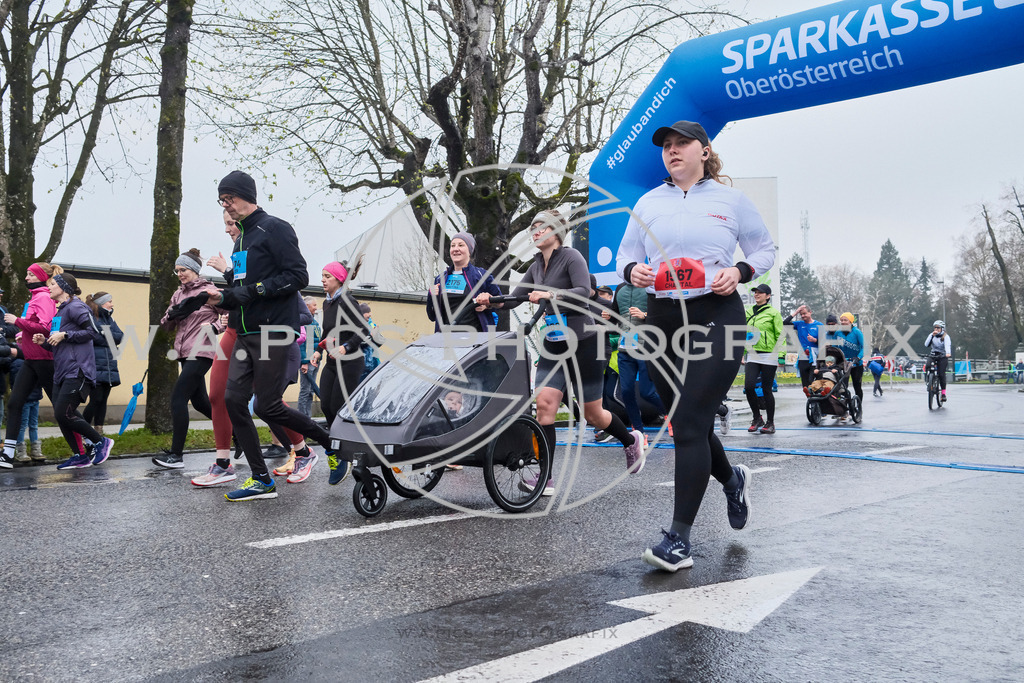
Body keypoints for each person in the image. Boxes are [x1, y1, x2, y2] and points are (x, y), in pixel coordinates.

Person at [615, 120, 774, 572]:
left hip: (716, 315)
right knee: (692, 426)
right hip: (664, 319)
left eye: (681, 143)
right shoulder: (648, 202)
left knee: (687, 425)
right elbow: (626, 255)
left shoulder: (731, 201)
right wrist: (633, 273)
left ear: (704, 151)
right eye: (666, 145)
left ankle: (678, 542)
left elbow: (766, 250)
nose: (672, 150)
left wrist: (740, 272)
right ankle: (732, 478)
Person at [476, 209, 644, 498]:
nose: (535, 232)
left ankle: (630, 440)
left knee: (593, 414)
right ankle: (546, 477)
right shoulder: (536, 266)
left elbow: (585, 290)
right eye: (533, 227)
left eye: (541, 227)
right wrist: (491, 301)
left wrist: (552, 295)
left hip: (584, 342)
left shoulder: (571, 257)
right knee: (545, 405)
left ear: (555, 232)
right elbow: (517, 297)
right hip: (554, 343)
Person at [206, 171, 343, 500]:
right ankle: (260, 479)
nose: (227, 206)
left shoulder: (276, 228)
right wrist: (221, 298)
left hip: (274, 331)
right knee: (234, 401)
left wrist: (253, 290)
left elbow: (298, 274)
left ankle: (331, 445)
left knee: (267, 406)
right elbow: (241, 289)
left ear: (246, 196)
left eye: (230, 200)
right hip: (245, 333)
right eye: (222, 202)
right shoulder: (240, 240)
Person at [32, 268, 114, 469]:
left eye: (52, 284)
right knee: (63, 415)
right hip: (62, 372)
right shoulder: (61, 310)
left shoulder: (77, 307)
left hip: (78, 370)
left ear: (64, 288)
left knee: (63, 413)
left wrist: (65, 335)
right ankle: (80, 455)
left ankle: (100, 441)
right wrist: (44, 341)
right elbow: (57, 342)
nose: (49, 287)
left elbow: (93, 332)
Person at [154, 249, 225, 469]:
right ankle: (238, 435)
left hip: (202, 350)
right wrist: (172, 315)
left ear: (194, 270)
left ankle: (176, 455)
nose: (179, 274)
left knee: (178, 398)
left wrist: (214, 327)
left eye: (183, 270)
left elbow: (231, 314)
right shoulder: (178, 294)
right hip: (184, 352)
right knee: (200, 402)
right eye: (177, 271)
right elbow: (166, 324)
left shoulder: (209, 290)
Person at [311, 261, 371, 475]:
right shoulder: (327, 303)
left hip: (351, 361)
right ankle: (339, 448)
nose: (323, 280)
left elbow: (363, 330)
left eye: (327, 276)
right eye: (322, 275)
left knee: (338, 406)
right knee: (326, 405)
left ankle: (344, 452)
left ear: (338, 279)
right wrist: (319, 350)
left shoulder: (347, 300)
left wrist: (346, 347)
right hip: (332, 360)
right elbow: (328, 332)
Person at [0, 263, 59, 469]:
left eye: (31, 274)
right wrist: (21, 333)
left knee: (61, 408)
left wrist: (17, 321)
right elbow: (34, 326)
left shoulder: (43, 297)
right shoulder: (35, 297)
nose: (26, 278)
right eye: (26, 274)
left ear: (41, 276)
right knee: (15, 403)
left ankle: (93, 442)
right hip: (31, 359)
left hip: (43, 359)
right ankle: (7, 454)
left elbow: (45, 327)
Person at [608, 280, 668, 443]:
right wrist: (609, 317)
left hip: (646, 348)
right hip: (624, 348)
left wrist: (645, 315)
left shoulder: (652, 287)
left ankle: (670, 414)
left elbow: (664, 315)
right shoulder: (620, 288)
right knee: (626, 391)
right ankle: (639, 432)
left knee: (647, 392)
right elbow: (616, 315)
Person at [426, 231, 501, 332]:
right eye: (453, 246)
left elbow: (500, 302)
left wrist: (489, 303)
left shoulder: (482, 275)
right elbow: (432, 316)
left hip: (475, 341)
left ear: (470, 251)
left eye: (461, 245)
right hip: (446, 340)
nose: (456, 249)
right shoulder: (440, 279)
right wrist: (431, 296)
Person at [744, 283, 783, 434]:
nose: (756, 294)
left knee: (767, 389)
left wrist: (781, 356)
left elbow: (780, 334)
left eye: (760, 292)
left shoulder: (773, 313)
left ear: (768, 296)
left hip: (769, 354)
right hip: (753, 353)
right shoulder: (748, 312)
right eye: (755, 292)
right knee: (749, 387)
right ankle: (756, 418)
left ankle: (770, 422)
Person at [82, 292, 123, 433]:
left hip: (109, 365)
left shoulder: (109, 319)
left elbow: (120, 336)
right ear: (100, 303)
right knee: (95, 399)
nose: (112, 304)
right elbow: (95, 337)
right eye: (109, 301)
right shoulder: (90, 318)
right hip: (95, 365)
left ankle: (99, 429)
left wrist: (105, 334)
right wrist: (108, 336)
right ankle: (83, 429)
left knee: (103, 399)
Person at [783, 305, 821, 390]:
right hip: (803, 356)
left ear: (810, 312)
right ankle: (810, 400)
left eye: (804, 313)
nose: (803, 316)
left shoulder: (819, 325)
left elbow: (824, 343)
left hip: (815, 357)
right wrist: (796, 312)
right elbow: (785, 323)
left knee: (813, 380)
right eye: (801, 314)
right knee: (805, 383)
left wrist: (815, 340)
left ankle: (816, 399)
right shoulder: (799, 324)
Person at [831, 311, 864, 403]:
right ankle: (844, 406)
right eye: (841, 320)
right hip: (843, 363)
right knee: (842, 386)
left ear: (850, 321)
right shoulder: (838, 333)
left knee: (857, 385)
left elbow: (864, 347)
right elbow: (834, 347)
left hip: (856, 364)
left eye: (845, 320)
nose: (843, 322)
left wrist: (858, 357)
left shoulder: (857, 332)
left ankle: (858, 406)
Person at [298, 295, 321, 417]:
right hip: (307, 362)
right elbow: (302, 343)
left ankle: (308, 418)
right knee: (305, 390)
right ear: (307, 306)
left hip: (315, 361)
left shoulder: (315, 322)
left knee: (311, 391)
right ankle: (301, 418)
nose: (316, 308)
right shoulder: (304, 322)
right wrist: (304, 362)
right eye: (314, 305)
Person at [923, 320, 952, 402]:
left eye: (938, 328)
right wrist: (932, 336)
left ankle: (943, 394)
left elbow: (947, 346)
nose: (936, 329)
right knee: (928, 365)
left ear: (942, 329)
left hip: (942, 355)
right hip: (933, 354)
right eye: (935, 327)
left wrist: (948, 353)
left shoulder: (946, 337)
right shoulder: (932, 335)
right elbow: (926, 344)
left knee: (941, 374)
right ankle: (929, 381)